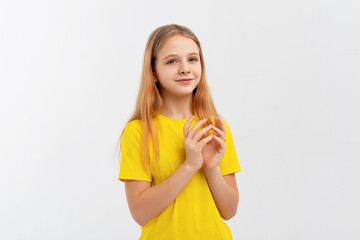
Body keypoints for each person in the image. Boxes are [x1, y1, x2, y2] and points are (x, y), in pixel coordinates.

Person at [117, 24, 241, 240]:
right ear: (153, 71)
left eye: (192, 59)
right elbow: (140, 213)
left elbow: (229, 211)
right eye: (172, 61)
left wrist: (211, 168)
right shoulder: (138, 131)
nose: (185, 68)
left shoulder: (216, 128)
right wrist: (190, 165)